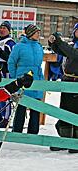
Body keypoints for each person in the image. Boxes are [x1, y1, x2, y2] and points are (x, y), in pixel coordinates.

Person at [8, 24, 44, 134]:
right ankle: (17, 132)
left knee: (35, 109)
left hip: (36, 81)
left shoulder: (39, 46)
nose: (39, 34)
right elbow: (11, 62)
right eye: (36, 32)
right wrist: (15, 77)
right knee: (21, 108)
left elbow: (39, 65)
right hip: (22, 81)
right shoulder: (19, 46)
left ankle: (33, 134)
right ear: (30, 33)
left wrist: (41, 79)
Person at [48, 24, 78, 153]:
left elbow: (74, 55)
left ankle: (75, 142)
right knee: (64, 111)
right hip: (68, 80)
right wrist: (54, 44)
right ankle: (65, 140)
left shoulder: (74, 48)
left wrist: (60, 42)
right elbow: (63, 51)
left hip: (76, 82)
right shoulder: (73, 44)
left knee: (75, 113)